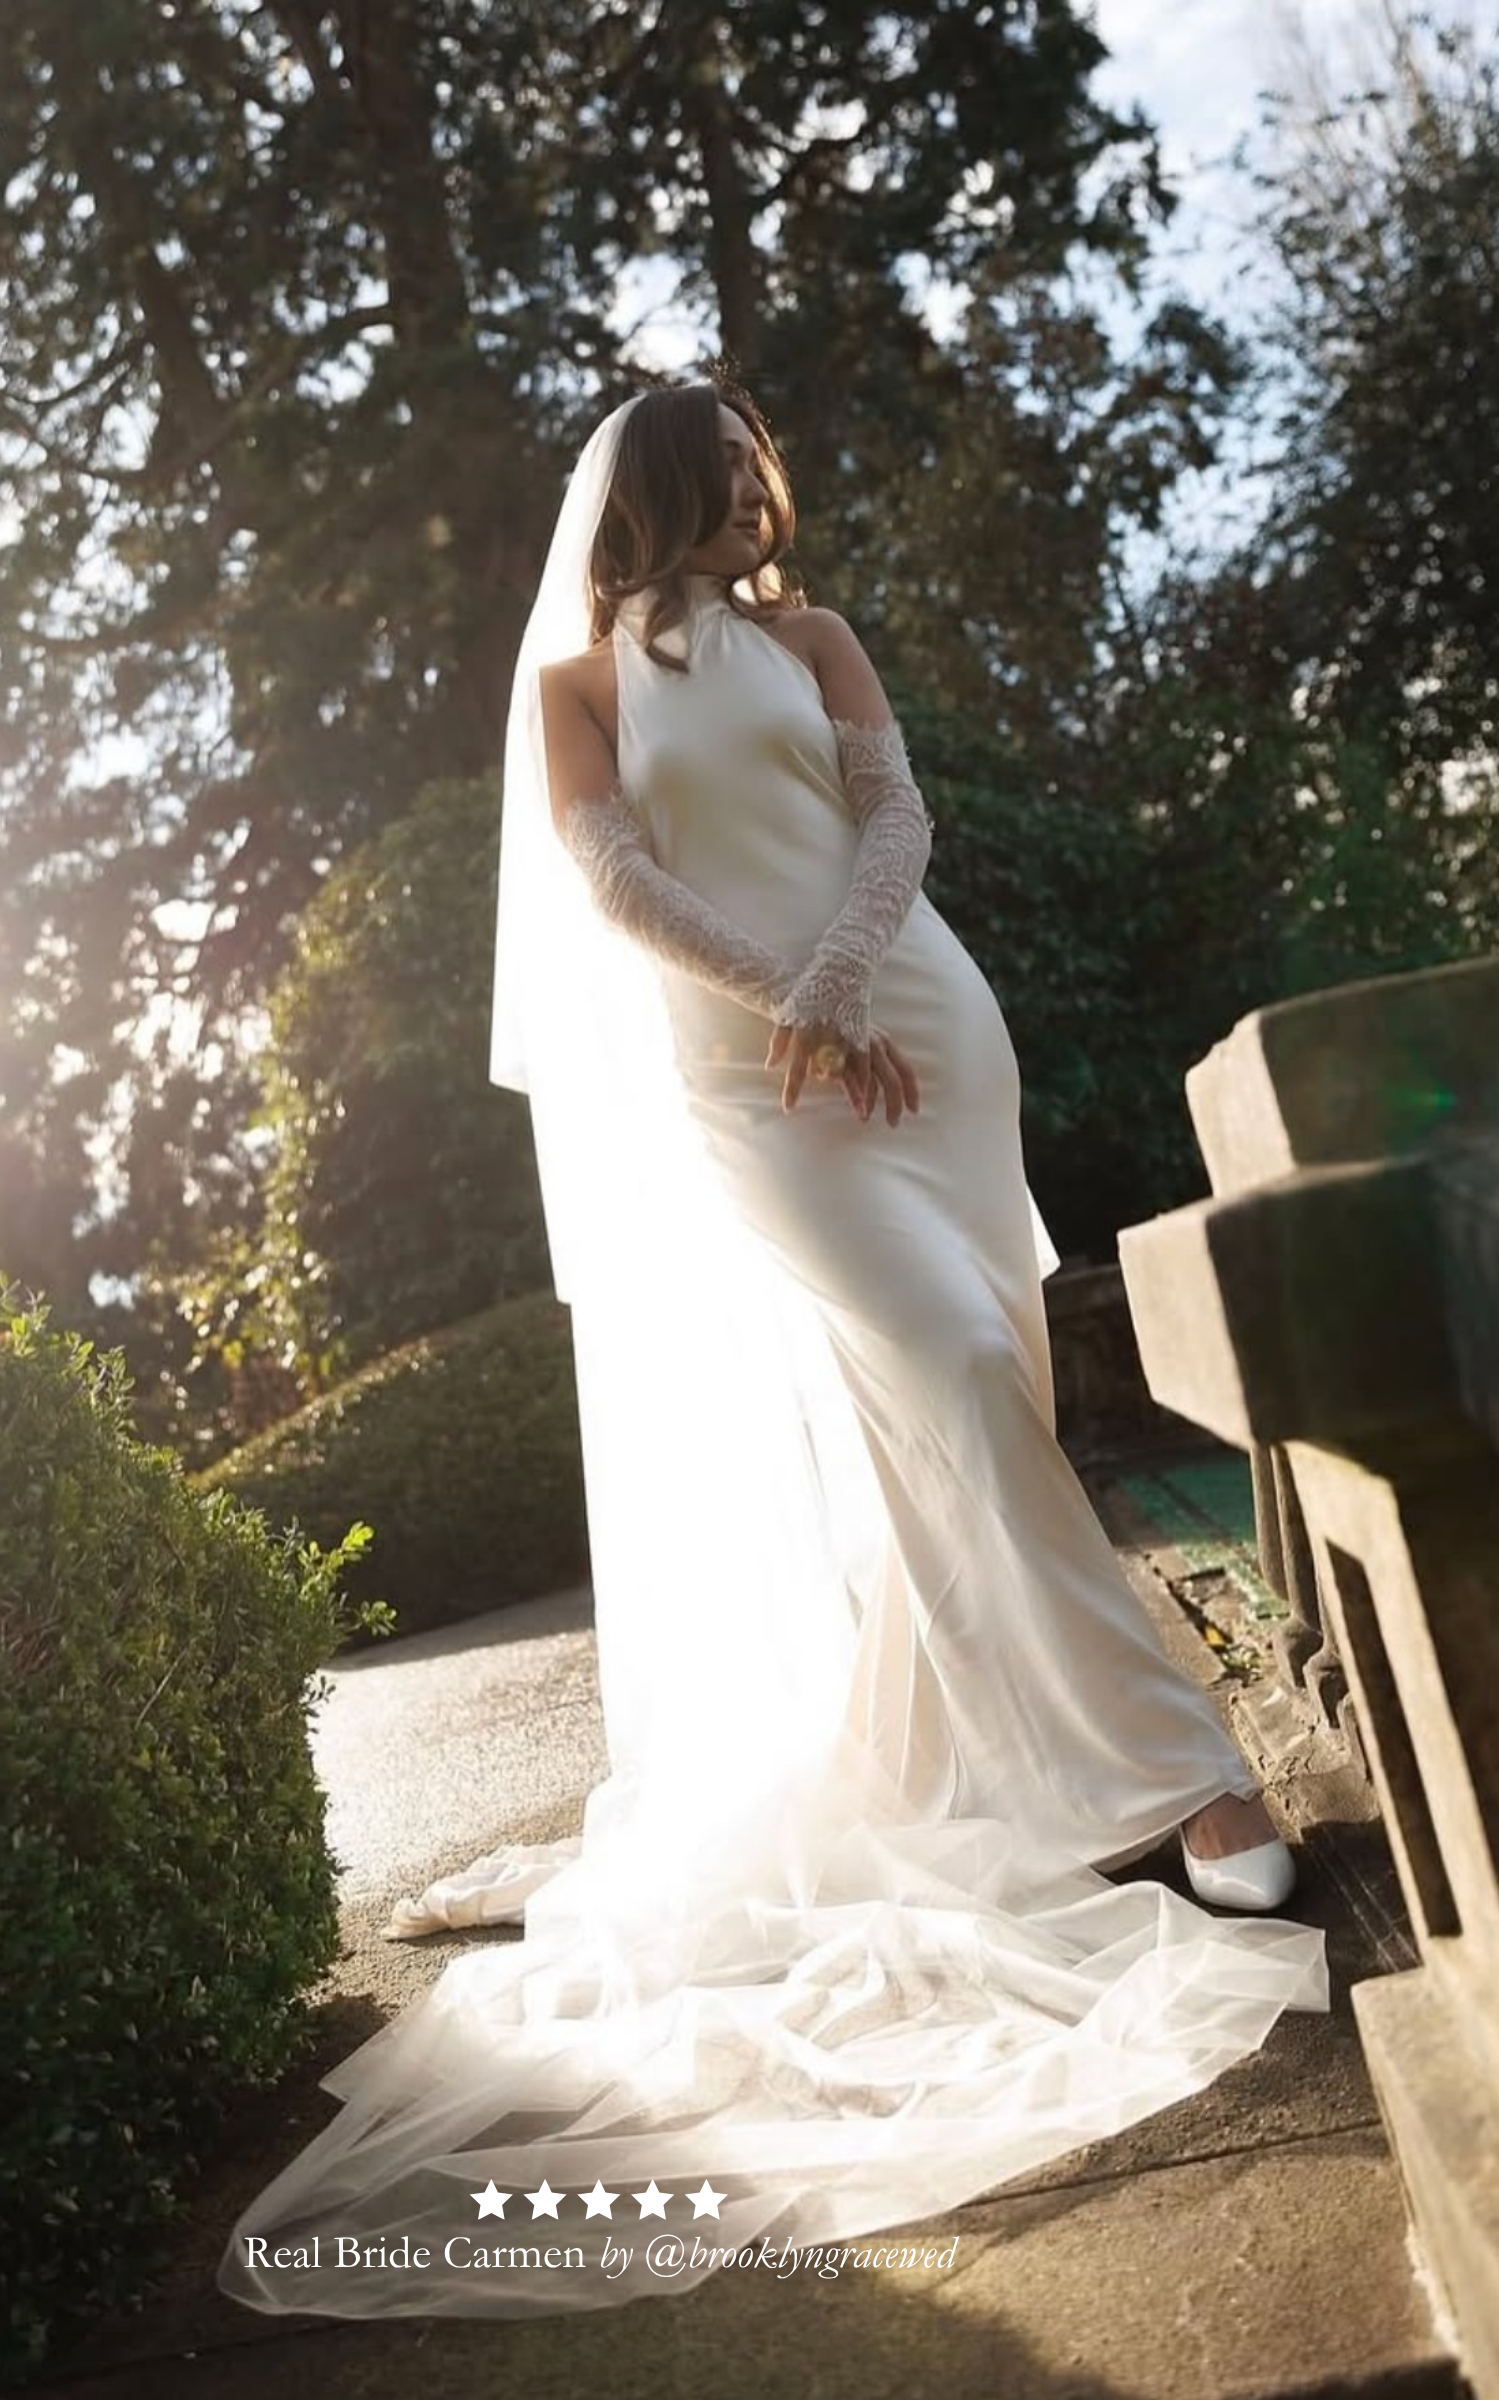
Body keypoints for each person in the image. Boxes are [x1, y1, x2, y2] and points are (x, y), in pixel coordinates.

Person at [216, 379, 1330, 2327]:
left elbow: (892, 810)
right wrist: (784, 999)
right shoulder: (578, 684)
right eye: (723, 473)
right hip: (746, 1080)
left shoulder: (816, 637)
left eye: (761, 472)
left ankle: (967, 1736)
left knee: (983, 1387)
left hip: (922, 1024)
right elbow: (615, 883)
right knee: (955, 1380)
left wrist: (845, 972)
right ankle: (1188, 1783)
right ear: (654, 492)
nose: (757, 495)